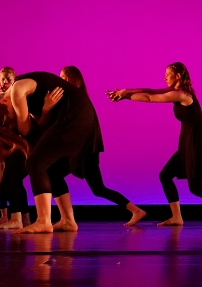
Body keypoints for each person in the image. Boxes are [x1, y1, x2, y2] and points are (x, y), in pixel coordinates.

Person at [107, 62, 202, 226]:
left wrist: (125, 96)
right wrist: (126, 91)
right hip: (187, 144)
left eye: (167, 74)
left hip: (196, 144)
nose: (164, 77)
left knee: (195, 188)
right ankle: (177, 217)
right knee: (165, 176)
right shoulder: (177, 92)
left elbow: (149, 98)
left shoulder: (183, 95)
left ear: (177, 76)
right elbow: (151, 91)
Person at [0, 72, 103, 233]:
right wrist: (45, 110)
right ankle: (68, 220)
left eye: (8, 116)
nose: (12, 120)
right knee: (50, 169)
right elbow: (36, 129)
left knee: (34, 163)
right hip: (80, 115)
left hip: (76, 115)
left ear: (4, 100)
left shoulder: (17, 91)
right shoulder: (23, 97)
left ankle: (43, 221)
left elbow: (26, 133)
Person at [49, 66, 145, 226]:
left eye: (63, 77)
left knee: (97, 188)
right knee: (55, 175)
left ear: (73, 79)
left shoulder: (77, 99)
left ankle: (136, 210)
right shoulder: (76, 98)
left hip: (85, 152)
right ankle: (66, 218)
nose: (60, 80)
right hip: (80, 151)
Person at [0, 66, 31, 229]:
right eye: (3, 79)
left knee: (11, 179)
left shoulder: (18, 97)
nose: (5, 82)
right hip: (3, 146)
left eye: (9, 79)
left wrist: (16, 145)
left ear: (14, 81)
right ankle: (23, 219)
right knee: (11, 181)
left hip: (19, 145)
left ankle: (17, 218)